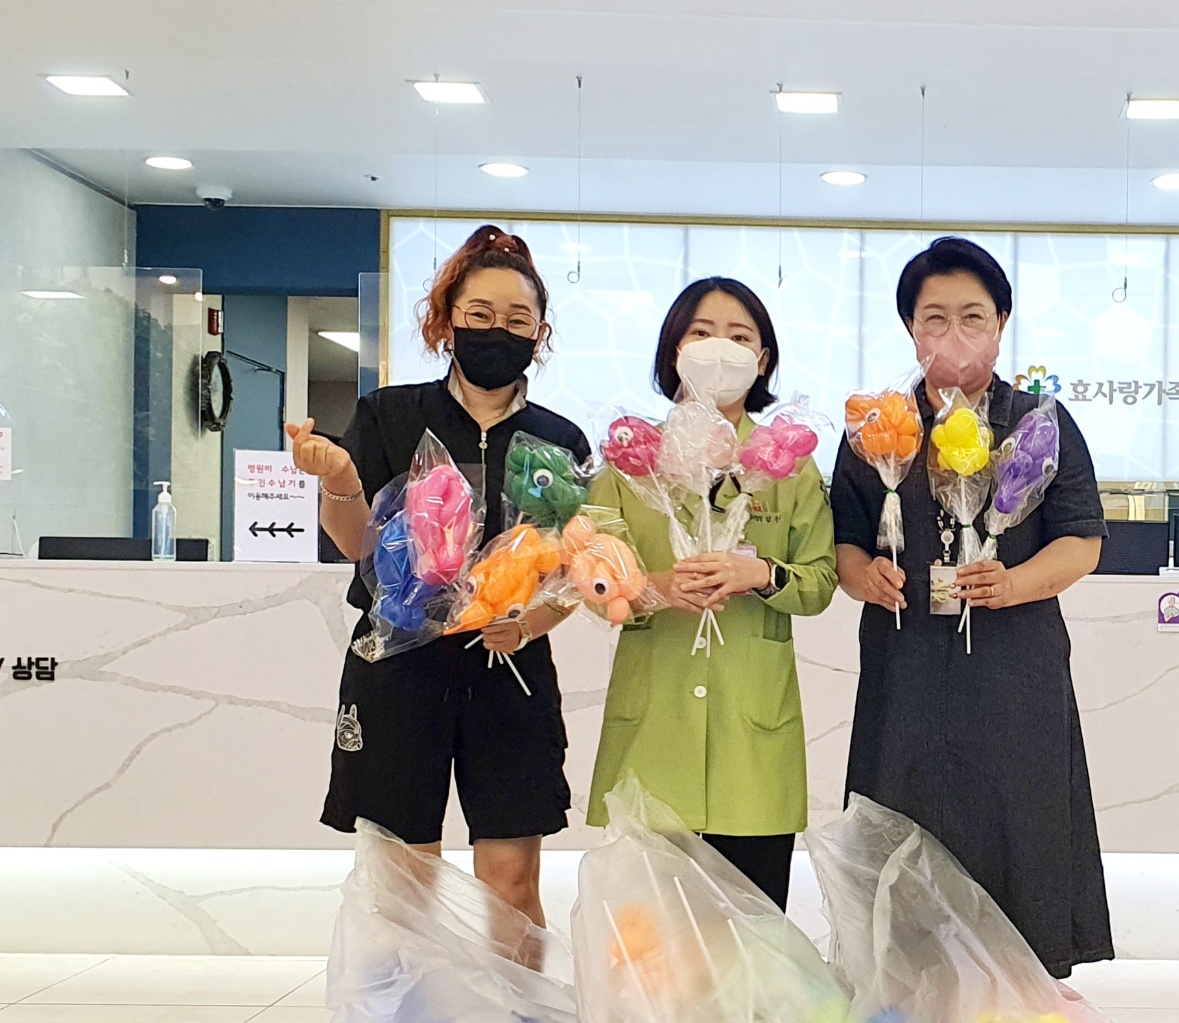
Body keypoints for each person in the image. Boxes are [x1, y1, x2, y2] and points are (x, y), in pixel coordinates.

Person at [288, 224, 588, 934]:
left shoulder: (560, 441)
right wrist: (339, 479)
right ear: (447, 319)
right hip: (399, 667)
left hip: (508, 671)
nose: (497, 331)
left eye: (517, 320)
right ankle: (409, 1011)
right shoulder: (389, 416)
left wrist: (530, 623)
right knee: (405, 881)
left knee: (511, 881)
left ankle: (516, 1008)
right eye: (479, 314)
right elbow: (357, 544)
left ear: (539, 335)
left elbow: (571, 571)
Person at [829, 237, 1112, 978]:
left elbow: (1082, 541)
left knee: (1017, 832)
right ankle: (903, 1016)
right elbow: (844, 544)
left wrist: (1013, 583)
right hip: (906, 669)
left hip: (1014, 672)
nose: (953, 333)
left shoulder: (1041, 422)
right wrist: (864, 577)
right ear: (909, 328)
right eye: (934, 318)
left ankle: (1021, 1012)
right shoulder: (876, 429)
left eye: (972, 316)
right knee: (902, 829)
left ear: (1001, 322)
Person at [587, 278, 837, 910]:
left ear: (763, 360)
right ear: (674, 350)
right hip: (654, 736)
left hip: (751, 745)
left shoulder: (788, 462)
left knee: (754, 935)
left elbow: (820, 581)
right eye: (701, 333)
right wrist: (654, 588)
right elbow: (591, 578)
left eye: (740, 337)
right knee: (649, 940)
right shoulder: (631, 460)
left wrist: (763, 575)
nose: (719, 348)